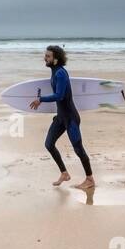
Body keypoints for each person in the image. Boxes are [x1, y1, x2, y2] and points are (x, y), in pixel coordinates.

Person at [29, 44, 94, 188]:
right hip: (61, 117)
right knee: (49, 144)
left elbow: (60, 96)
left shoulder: (60, 73)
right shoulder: (55, 72)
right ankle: (64, 173)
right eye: (45, 55)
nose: (44, 58)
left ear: (56, 59)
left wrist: (41, 99)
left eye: (48, 56)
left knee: (78, 149)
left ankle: (90, 179)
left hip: (70, 118)